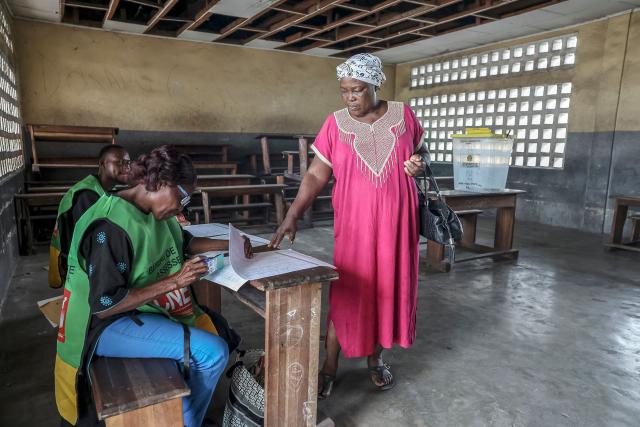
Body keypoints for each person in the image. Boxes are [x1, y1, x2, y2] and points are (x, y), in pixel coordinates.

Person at [54, 146, 253, 427]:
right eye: (182, 196)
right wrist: (175, 281)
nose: (182, 206)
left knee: (216, 327)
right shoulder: (110, 227)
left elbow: (181, 242)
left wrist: (232, 245)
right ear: (159, 183)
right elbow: (104, 305)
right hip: (100, 326)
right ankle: (188, 422)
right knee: (212, 352)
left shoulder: (152, 212)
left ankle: (184, 417)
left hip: (133, 311)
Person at [270, 53, 428, 398]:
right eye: (344, 91)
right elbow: (315, 173)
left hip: (397, 225)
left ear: (375, 85)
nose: (350, 98)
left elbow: (421, 154)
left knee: (387, 289)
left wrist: (418, 164)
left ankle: (376, 359)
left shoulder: (404, 116)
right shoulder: (336, 123)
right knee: (348, 292)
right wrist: (293, 213)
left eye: (357, 90)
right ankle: (329, 366)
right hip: (355, 226)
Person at [48, 144, 131, 288]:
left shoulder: (99, 188)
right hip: (77, 263)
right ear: (102, 164)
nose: (126, 167)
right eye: (119, 162)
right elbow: (93, 245)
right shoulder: (87, 195)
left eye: (128, 162)